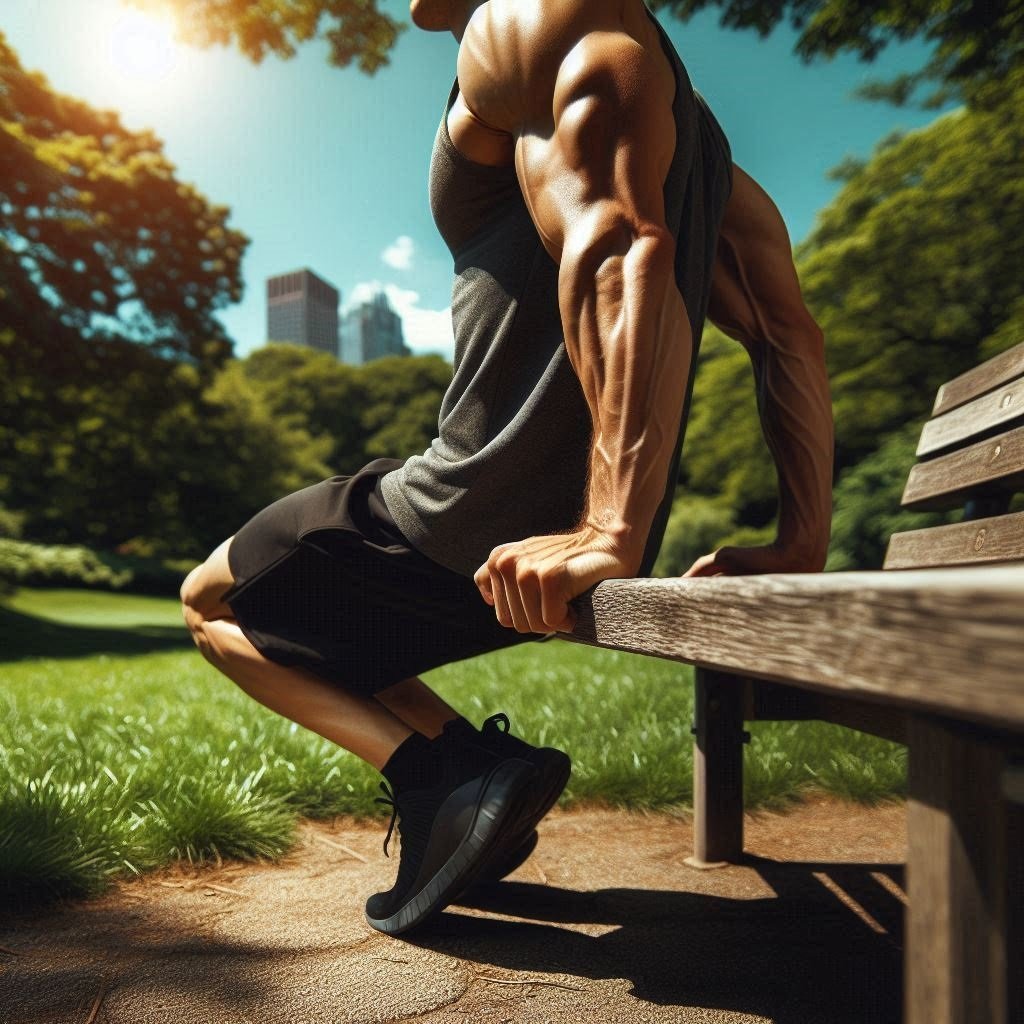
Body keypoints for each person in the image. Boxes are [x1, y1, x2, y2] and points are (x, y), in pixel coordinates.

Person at [180, 0, 834, 936]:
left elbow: (612, 243)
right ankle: (466, 786)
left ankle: (444, 780)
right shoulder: (707, 154)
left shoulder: (525, 21)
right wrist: (800, 542)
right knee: (321, 631)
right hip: (551, 533)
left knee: (213, 601)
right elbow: (789, 339)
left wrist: (608, 531)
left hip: (469, 512)